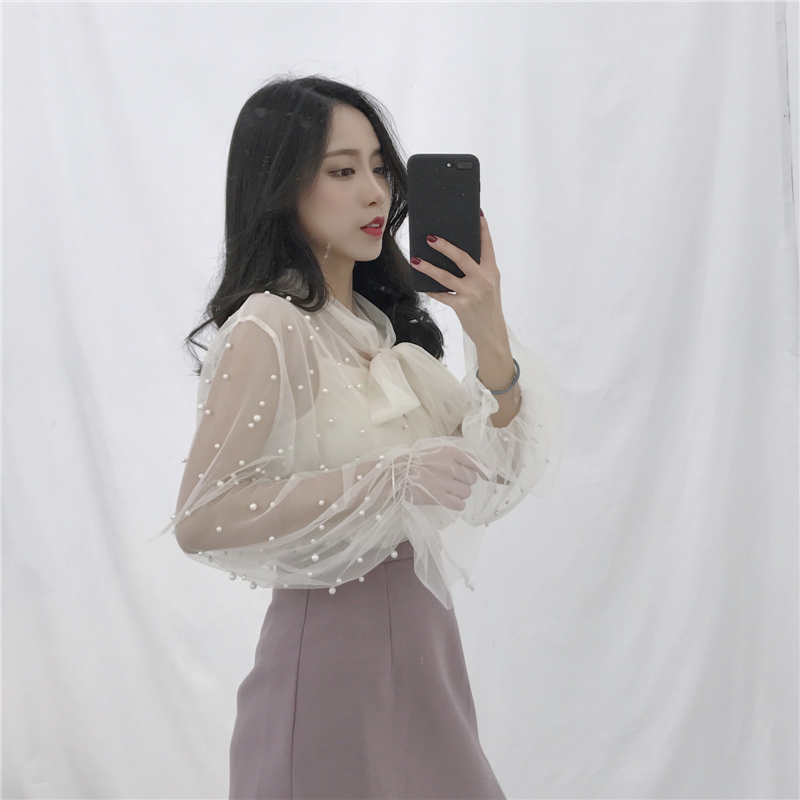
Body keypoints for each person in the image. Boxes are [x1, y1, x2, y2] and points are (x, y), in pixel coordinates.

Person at [154, 74, 564, 800]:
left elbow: (494, 478)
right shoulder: (269, 325)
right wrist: (391, 478)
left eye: (379, 168)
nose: (376, 193)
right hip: (329, 672)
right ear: (280, 186)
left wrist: (487, 327)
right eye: (343, 172)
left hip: (430, 657)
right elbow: (202, 518)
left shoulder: (381, 330)